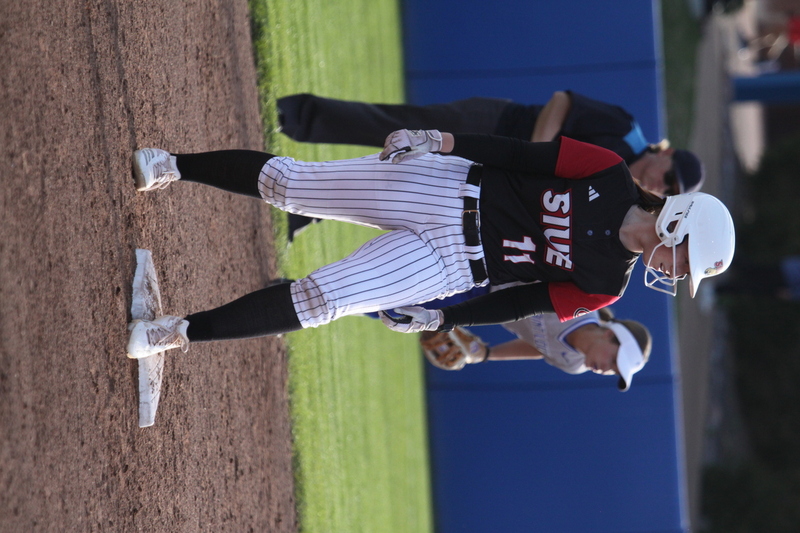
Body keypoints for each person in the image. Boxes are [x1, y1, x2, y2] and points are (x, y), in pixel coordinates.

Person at [125, 128, 735, 359]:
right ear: (681, 223)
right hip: (445, 187)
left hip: (450, 263)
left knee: (321, 303)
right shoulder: (605, 172)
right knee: (290, 184)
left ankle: (171, 334)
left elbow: (518, 302)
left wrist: (442, 314)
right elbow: (518, 154)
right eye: (686, 261)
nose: (676, 273)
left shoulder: (607, 286)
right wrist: (441, 140)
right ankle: (171, 164)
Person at [277, 91, 705, 239]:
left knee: (398, 189)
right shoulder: (624, 132)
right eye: (670, 176)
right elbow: (563, 101)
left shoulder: (618, 190)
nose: (662, 185)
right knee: (395, 129)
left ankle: (309, 210)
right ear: (665, 152)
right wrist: (535, 154)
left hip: (488, 175)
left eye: (670, 191)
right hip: (495, 126)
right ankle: (296, 115)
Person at [444, 308, 652, 393]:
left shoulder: (574, 365)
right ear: (609, 334)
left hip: (479, 302)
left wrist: (487, 354)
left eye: (614, 372)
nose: (607, 370)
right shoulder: (578, 306)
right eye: (615, 360)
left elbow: (541, 348)